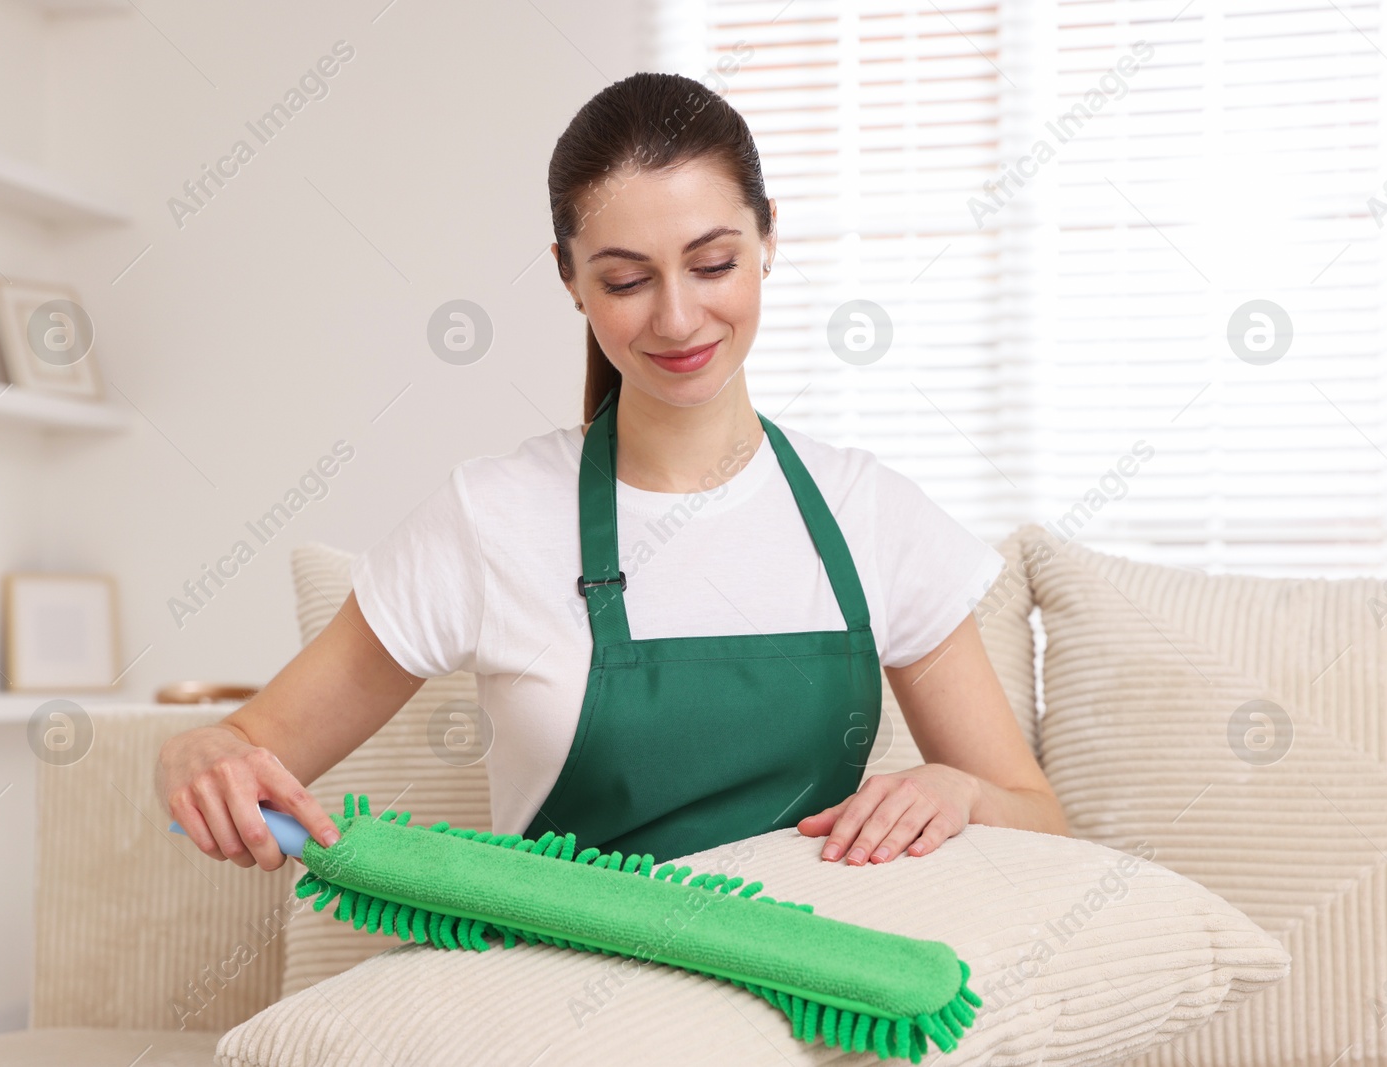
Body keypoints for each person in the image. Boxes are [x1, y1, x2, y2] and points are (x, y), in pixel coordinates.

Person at [156, 72, 1069, 874]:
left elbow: (1043, 827)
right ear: (569, 278)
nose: (677, 318)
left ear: (768, 240)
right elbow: (246, 744)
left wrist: (962, 792)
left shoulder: (869, 512)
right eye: (627, 280)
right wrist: (195, 757)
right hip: (563, 1002)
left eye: (712, 263)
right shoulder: (491, 518)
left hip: (795, 1005)